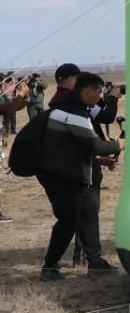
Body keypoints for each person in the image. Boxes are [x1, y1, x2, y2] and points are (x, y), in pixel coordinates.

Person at [36, 71, 124, 280]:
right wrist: (120, 144)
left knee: (85, 213)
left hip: (66, 171)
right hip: (57, 175)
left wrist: (98, 161)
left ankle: (93, 260)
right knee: (69, 220)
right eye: (99, 92)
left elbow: (73, 146)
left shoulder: (74, 108)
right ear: (88, 91)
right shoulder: (72, 111)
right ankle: (50, 267)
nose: (100, 97)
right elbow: (94, 145)